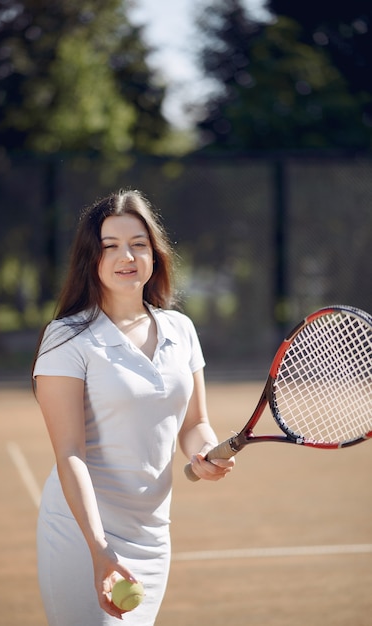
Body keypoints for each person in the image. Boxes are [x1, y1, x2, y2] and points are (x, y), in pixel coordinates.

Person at [32, 189, 235, 626]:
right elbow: (70, 452)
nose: (127, 256)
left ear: (155, 255)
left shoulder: (180, 328)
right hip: (83, 534)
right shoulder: (66, 337)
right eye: (111, 246)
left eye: (138, 244)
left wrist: (204, 454)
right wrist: (99, 548)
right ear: (92, 258)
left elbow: (195, 423)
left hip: (153, 535)